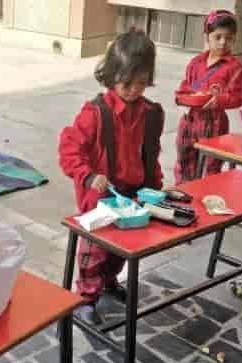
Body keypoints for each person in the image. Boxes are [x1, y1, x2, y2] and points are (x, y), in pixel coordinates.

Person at [58, 29, 165, 325]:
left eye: (141, 83)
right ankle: (86, 297)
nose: (133, 90)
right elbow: (69, 150)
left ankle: (108, 282)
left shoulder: (151, 113)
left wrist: (156, 186)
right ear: (111, 75)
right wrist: (88, 175)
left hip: (133, 194)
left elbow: (152, 153)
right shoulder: (95, 113)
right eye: (126, 83)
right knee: (95, 249)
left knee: (122, 247)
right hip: (100, 196)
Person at [174, 9, 242, 184]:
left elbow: (237, 97)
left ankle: (207, 194)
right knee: (184, 161)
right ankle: (183, 192)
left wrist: (219, 100)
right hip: (190, 121)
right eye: (218, 37)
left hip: (215, 124)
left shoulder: (235, 68)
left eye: (229, 38)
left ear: (234, 39)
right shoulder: (195, 63)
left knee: (212, 166)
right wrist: (181, 97)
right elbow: (187, 86)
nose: (223, 42)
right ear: (207, 37)